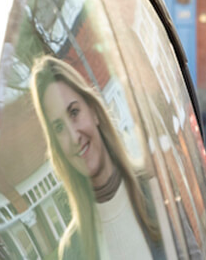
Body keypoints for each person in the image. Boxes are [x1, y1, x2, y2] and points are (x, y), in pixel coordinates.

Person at [32, 56, 176, 260]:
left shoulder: (157, 193)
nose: (74, 137)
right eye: (59, 127)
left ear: (94, 112)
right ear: (56, 147)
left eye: (74, 112)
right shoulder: (72, 250)